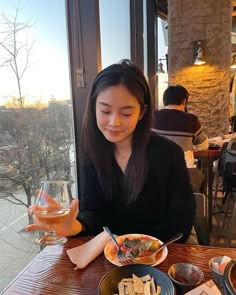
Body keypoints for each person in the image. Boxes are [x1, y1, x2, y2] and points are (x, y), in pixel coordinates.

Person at [26, 60, 195, 243]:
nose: (114, 122)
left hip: (161, 253)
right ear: (93, 107)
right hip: (110, 255)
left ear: (142, 112)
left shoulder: (169, 154)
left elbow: (181, 222)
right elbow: (94, 212)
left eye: (126, 113)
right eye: (105, 111)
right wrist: (74, 226)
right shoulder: (90, 153)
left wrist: (140, 251)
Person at [152, 85, 209, 192]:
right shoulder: (191, 120)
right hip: (183, 174)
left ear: (164, 101)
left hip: (155, 172)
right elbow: (203, 145)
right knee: (201, 177)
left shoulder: (153, 116)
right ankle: (200, 203)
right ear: (184, 101)